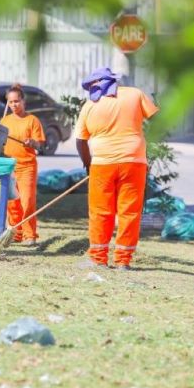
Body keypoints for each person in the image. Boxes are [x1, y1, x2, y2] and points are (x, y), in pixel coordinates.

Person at [75, 67, 159, 270]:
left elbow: (80, 141)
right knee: (129, 212)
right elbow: (157, 120)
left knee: (100, 211)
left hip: (102, 164)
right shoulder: (135, 94)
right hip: (134, 162)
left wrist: (87, 163)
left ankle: (98, 258)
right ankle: (123, 261)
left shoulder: (90, 105)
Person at [0, 84, 46, 246]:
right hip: (9, 167)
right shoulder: (4, 121)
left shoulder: (32, 120)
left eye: (17, 101)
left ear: (23, 101)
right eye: (11, 102)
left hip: (27, 167)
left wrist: (32, 142)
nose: (14, 105)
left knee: (27, 202)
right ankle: (16, 233)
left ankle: (30, 235)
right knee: (12, 203)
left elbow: (40, 145)